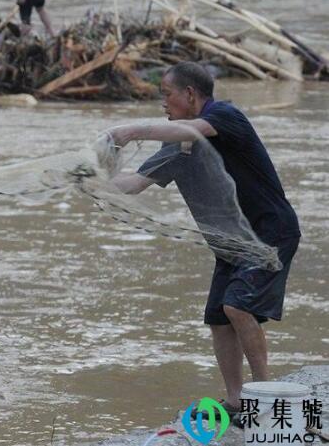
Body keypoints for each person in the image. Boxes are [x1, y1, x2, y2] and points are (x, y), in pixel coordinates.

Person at [107, 62, 300, 418]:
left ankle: (265, 396)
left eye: (167, 95)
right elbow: (133, 184)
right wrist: (90, 177)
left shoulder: (225, 116)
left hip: (270, 230)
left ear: (190, 94)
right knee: (218, 317)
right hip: (231, 241)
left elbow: (195, 129)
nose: (163, 104)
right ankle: (236, 400)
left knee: (237, 306)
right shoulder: (176, 146)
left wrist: (130, 131)